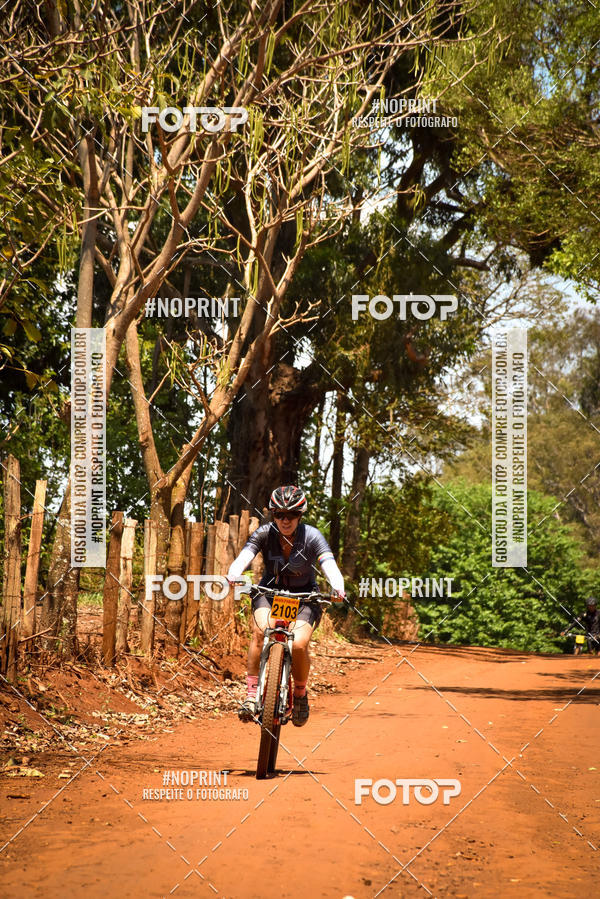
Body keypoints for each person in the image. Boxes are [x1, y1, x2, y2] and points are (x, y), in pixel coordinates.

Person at [227, 485, 345, 726]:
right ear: (273, 515)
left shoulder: (312, 536)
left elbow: (329, 564)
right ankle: (251, 695)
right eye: (279, 514)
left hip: (305, 597)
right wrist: (234, 574)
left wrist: (337, 585)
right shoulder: (263, 533)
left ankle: (300, 695)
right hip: (269, 593)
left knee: (300, 645)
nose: (285, 519)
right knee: (260, 633)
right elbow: (244, 556)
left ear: (300, 515)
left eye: (291, 514)